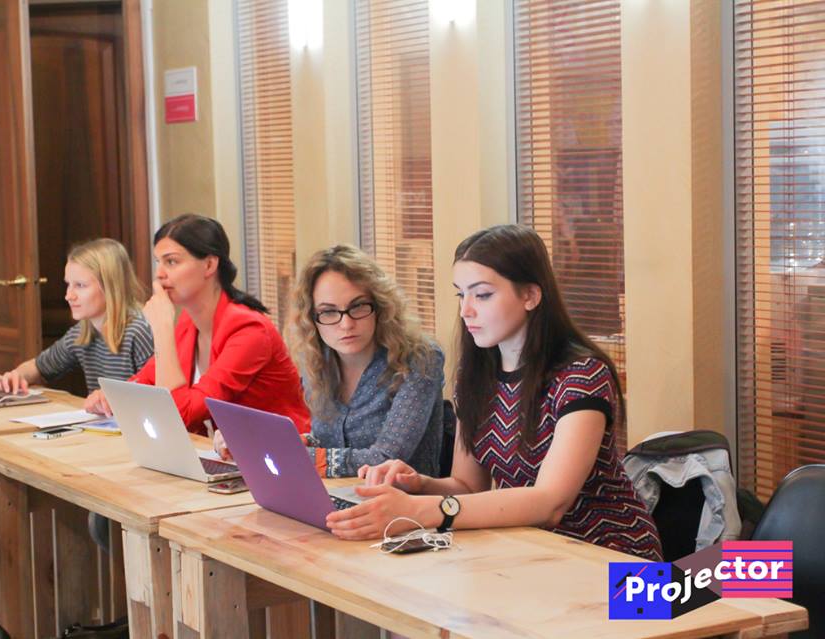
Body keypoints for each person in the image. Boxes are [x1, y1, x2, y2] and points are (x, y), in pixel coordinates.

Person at [326, 225, 662, 561]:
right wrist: (418, 485)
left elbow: (550, 503)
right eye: (461, 295)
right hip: (532, 551)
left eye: (482, 295)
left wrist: (420, 509)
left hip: (617, 558)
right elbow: (467, 488)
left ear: (530, 295)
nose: (466, 310)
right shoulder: (475, 374)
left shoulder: (582, 375)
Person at [85, 213, 310, 435]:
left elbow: (177, 415)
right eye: (158, 262)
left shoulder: (249, 330)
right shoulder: (188, 322)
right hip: (222, 452)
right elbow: (145, 380)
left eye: (171, 262)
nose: (159, 274)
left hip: (278, 452)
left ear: (209, 265)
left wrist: (162, 330)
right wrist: (111, 397)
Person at [245, 245, 444, 477]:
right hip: (332, 493)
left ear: (380, 306)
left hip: (402, 498)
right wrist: (259, 444)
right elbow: (329, 443)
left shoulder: (420, 358)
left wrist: (290, 455)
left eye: (358, 306)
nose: (346, 324)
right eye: (329, 312)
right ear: (311, 318)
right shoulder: (317, 358)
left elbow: (386, 458)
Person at [0, 238, 153, 412]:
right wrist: (16, 376)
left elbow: (156, 397)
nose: (69, 296)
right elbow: (39, 367)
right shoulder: (82, 332)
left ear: (110, 286)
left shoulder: (139, 331)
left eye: (80, 285)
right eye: (68, 284)